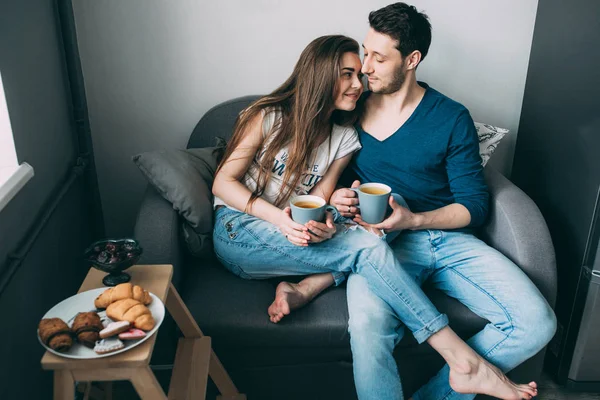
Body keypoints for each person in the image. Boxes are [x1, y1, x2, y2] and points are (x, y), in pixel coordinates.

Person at [212, 34, 539, 400]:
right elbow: (223, 182)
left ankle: (310, 285)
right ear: (320, 75)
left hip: (305, 238)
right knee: (367, 249)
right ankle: (460, 358)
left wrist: (325, 222)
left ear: (411, 59)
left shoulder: (346, 136)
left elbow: (318, 199)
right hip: (238, 230)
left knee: (376, 227)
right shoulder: (267, 116)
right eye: (349, 72)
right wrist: (279, 218)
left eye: (368, 64)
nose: (361, 79)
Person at [329, 3, 558, 400]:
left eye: (379, 58)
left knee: (538, 322)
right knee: (367, 327)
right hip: (381, 247)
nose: (365, 67)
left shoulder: (451, 117)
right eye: (366, 52)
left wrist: (414, 220)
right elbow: (325, 170)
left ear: (412, 59)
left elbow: (474, 206)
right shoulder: (352, 107)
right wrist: (336, 195)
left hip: (446, 240)